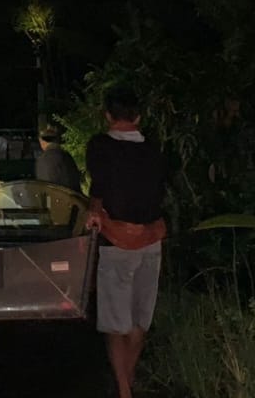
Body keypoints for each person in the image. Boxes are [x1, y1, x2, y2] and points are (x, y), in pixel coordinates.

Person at [85, 86, 167, 398]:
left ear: (108, 116)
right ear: (139, 116)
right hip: (150, 241)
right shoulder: (156, 150)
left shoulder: (100, 147)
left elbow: (99, 187)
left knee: (115, 324)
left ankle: (122, 389)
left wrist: (94, 210)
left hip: (116, 241)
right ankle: (126, 384)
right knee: (138, 321)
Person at [35, 126, 83, 191]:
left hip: (57, 198)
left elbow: (45, 186)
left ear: (42, 141)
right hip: (73, 197)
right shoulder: (67, 156)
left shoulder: (43, 159)